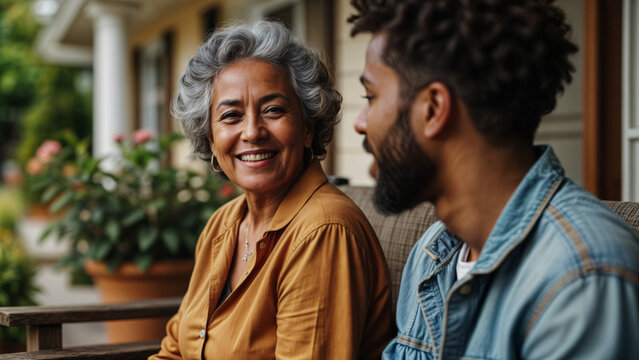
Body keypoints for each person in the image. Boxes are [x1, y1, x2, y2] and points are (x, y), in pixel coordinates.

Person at [349, 0, 639, 359]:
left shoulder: (582, 276)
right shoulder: (431, 254)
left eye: (370, 97)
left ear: (434, 109)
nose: (360, 122)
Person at [150, 21, 393, 359]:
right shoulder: (223, 225)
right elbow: (176, 349)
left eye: (273, 110)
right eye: (231, 115)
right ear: (211, 138)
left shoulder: (323, 232)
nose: (252, 132)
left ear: (308, 127)